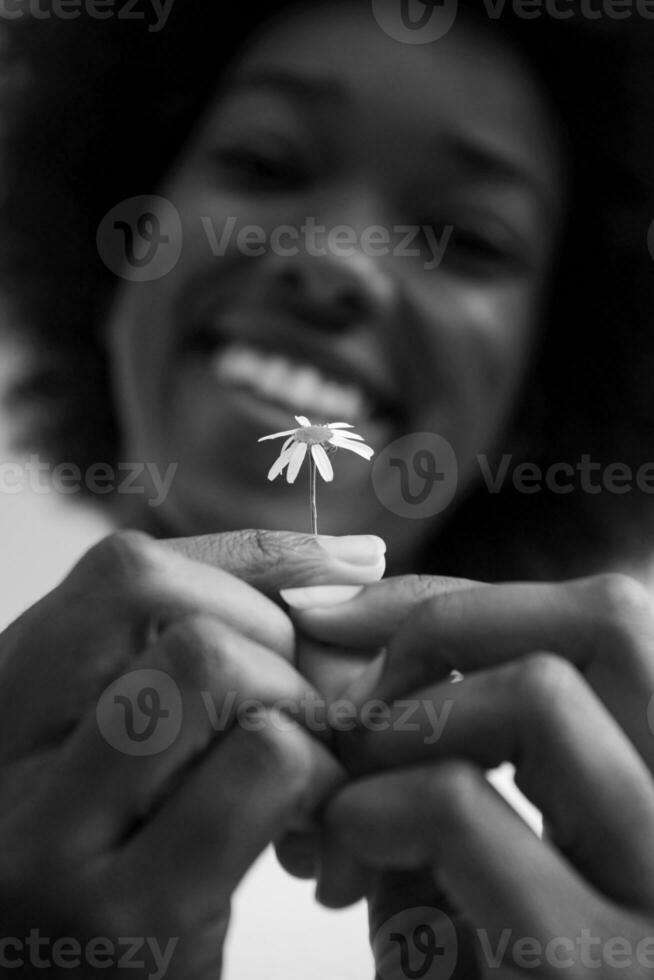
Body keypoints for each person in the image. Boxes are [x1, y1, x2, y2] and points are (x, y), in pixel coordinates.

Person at [2, 1, 654, 975]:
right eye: (265, 165)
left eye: (466, 239)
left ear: (541, 394)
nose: (333, 262)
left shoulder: (599, 870)